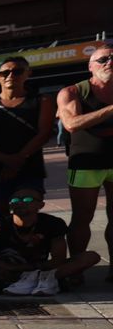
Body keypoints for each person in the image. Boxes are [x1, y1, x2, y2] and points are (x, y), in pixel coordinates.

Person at [0, 58, 53, 267]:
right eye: (4, 73)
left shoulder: (42, 101)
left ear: (27, 74)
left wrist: (17, 160)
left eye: (16, 71)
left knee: (27, 213)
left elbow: (44, 134)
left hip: (29, 168)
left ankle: (29, 259)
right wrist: (5, 160)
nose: (10, 76)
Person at [0, 192, 99, 296]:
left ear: (40, 205)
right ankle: (25, 282)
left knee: (90, 257)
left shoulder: (52, 223)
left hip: (40, 271)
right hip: (9, 272)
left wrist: (16, 268)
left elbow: (58, 260)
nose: (20, 203)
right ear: (10, 206)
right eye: (15, 201)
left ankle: (32, 281)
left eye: (27, 199)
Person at [58, 42, 113, 284]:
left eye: (112, 58)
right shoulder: (73, 91)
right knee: (82, 218)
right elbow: (72, 124)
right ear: (90, 66)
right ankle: (76, 268)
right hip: (86, 162)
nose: (109, 62)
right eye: (103, 59)